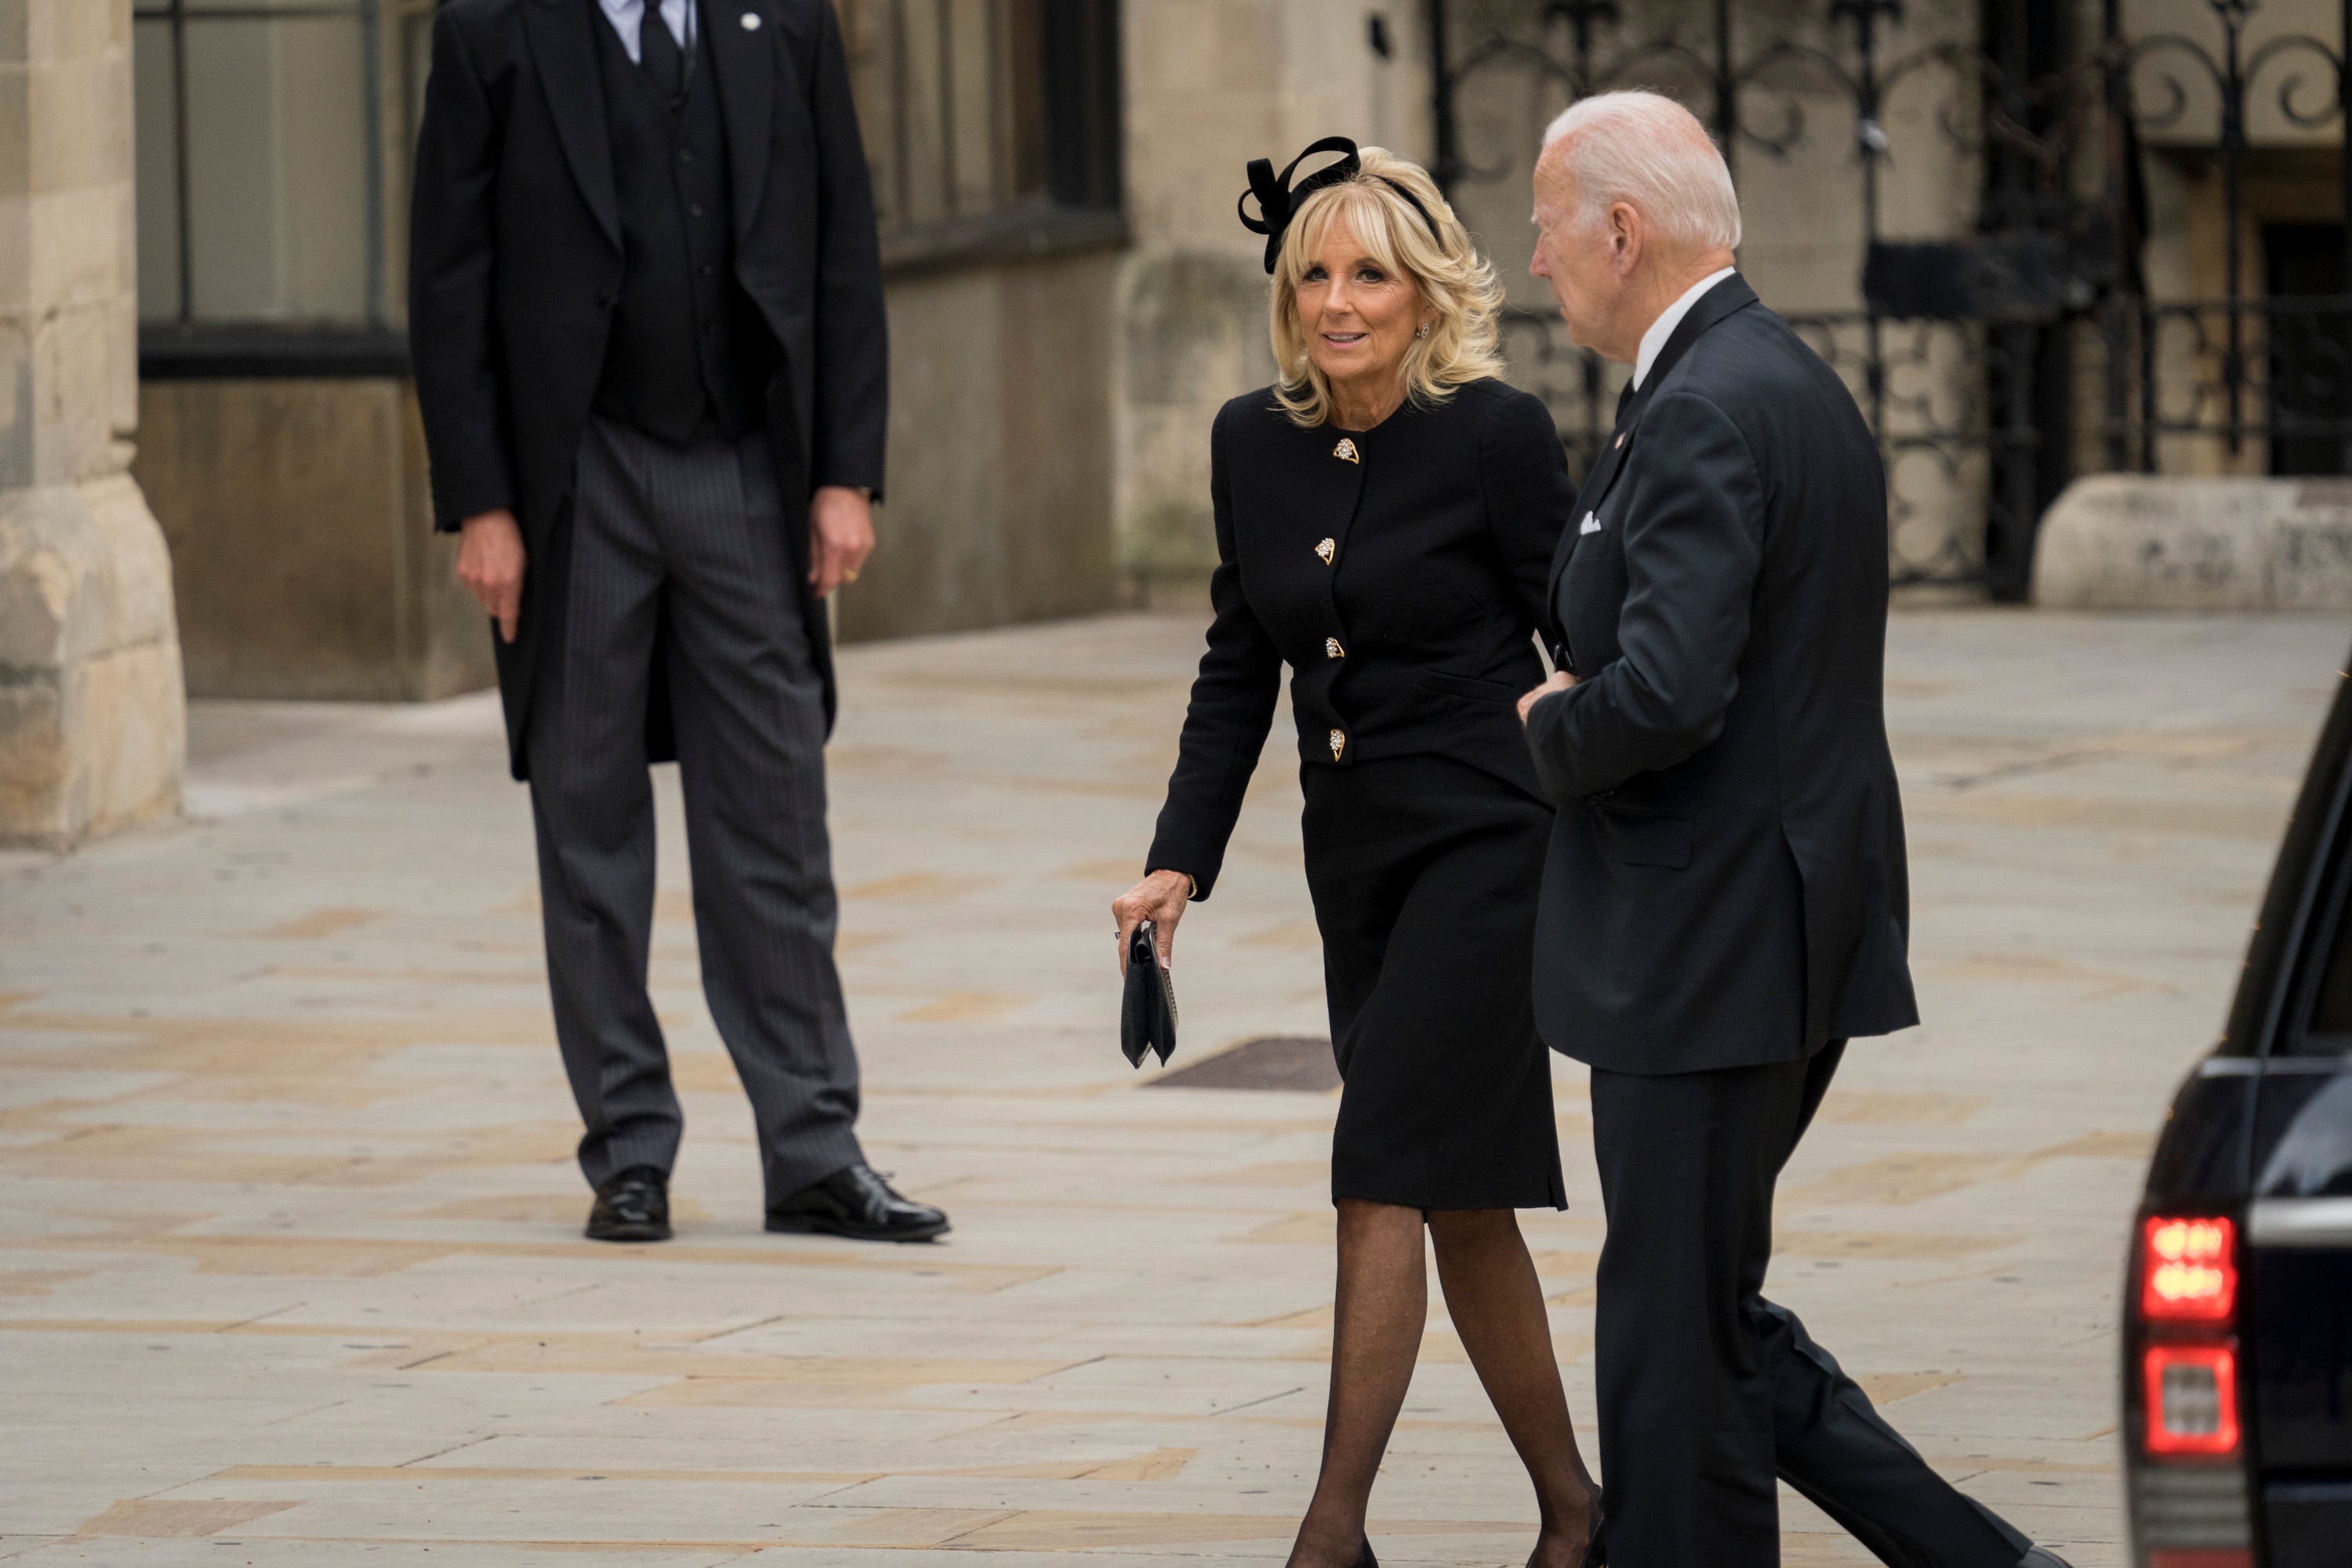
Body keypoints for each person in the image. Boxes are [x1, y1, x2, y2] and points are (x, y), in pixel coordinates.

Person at [1517, 91, 2073, 1568]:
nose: (1534, 260)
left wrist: (1545, 726)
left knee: (1667, 1343)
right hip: (1764, 931)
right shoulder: (1769, 374)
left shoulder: (1703, 401)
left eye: (1547, 225)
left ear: (1622, 232)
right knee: (1703, 1317)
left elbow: (1669, 690)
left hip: (1705, 949)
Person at [1113, 140, 1602, 1568]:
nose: (1338, 301)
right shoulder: (1248, 442)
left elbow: (1582, 629)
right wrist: (1176, 863)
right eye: (1314, 272)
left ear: (1425, 292)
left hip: (1490, 847)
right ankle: (1577, 1515)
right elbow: (1234, 664)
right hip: (1360, 867)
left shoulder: (1496, 434)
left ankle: (1333, 1535)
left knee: (1380, 1157)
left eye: (1369, 274)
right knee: (1460, 1197)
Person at [407, 0, 947, 1245]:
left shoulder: (788, 26)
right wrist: (480, 502)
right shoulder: (492, 30)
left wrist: (842, 472)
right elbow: (449, 278)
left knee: (777, 816)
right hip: (575, 472)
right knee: (587, 816)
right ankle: (629, 1153)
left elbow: (841, 249)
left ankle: (814, 1149)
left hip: (744, 466)